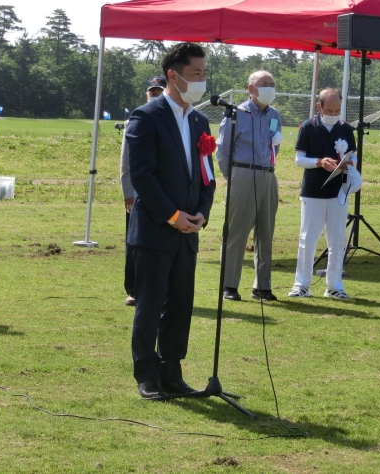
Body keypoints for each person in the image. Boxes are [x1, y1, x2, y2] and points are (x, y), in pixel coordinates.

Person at [125, 42, 216, 400]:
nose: (201, 81)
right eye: (196, 74)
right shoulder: (145, 117)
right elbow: (143, 177)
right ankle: (147, 374)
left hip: (189, 232)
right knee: (150, 305)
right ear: (173, 76)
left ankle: (172, 371)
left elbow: (208, 175)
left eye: (204, 74)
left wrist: (201, 214)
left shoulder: (199, 120)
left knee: (180, 304)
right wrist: (173, 216)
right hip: (154, 232)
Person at [216, 70, 282, 302]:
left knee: (266, 232)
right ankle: (229, 285)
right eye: (264, 84)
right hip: (243, 173)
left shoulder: (274, 114)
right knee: (237, 232)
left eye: (272, 84)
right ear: (251, 89)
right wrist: (233, 177)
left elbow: (276, 145)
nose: (269, 88)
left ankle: (262, 286)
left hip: (268, 176)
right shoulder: (237, 114)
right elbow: (222, 150)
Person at [288, 88, 356, 300]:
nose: (334, 114)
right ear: (319, 107)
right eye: (330, 110)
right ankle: (302, 285)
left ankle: (334, 286)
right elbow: (299, 159)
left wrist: (349, 165)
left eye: (337, 110)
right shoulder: (308, 127)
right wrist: (319, 162)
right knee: (307, 240)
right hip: (313, 193)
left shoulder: (346, 129)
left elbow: (354, 157)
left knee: (337, 241)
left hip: (338, 193)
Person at [120, 75, 166, 307]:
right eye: (152, 91)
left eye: (160, 91)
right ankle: (134, 289)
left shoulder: (172, 121)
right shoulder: (135, 120)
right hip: (138, 195)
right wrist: (128, 193)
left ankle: (161, 290)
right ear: (146, 94)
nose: (156, 95)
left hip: (166, 193)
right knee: (134, 244)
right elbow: (126, 162)